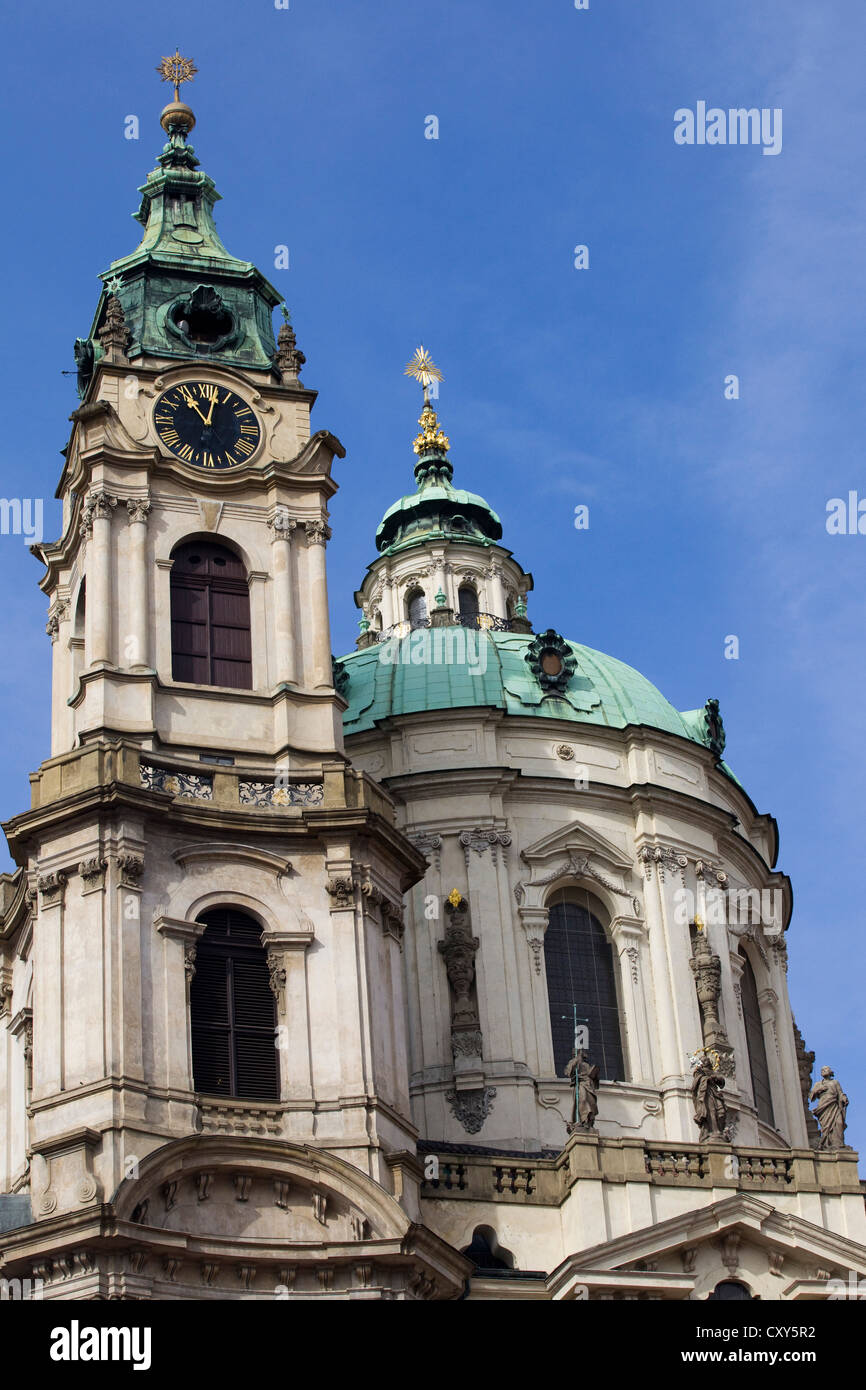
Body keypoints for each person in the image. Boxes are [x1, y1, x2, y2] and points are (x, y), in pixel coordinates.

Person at [809, 1067, 848, 1150]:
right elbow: (811, 1097)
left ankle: (839, 1144)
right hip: (823, 1106)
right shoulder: (818, 1084)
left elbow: (840, 1093)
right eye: (822, 1070)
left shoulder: (835, 1082)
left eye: (825, 1069)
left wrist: (844, 1098)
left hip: (834, 1105)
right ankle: (827, 1143)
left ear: (830, 1072)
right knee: (826, 1126)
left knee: (839, 1123)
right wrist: (818, 1090)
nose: (823, 1071)